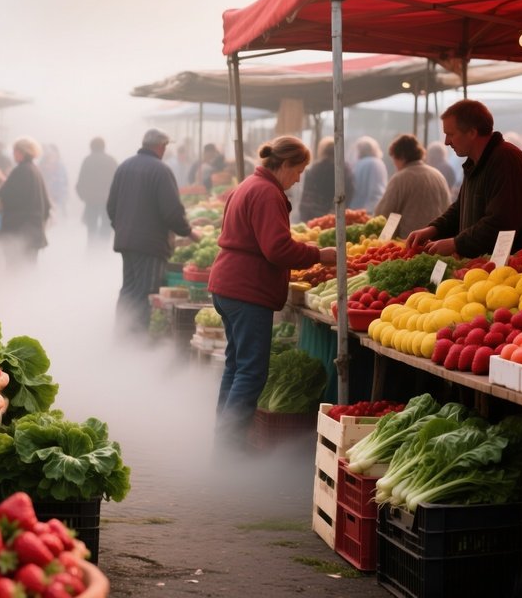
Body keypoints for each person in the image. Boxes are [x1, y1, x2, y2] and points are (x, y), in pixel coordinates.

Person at [207, 136, 337, 451]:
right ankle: (230, 447)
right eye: (299, 170)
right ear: (286, 164)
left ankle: (224, 441)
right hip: (246, 291)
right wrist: (319, 255)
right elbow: (277, 248)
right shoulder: (267, 192)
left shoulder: (249, 184)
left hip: (228, 285)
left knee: (236, 366)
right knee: (250, 371)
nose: (299, 178)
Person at [107, 128, 201, 334]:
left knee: (129, 290)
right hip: (150, 245)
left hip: (126, 242)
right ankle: (136, 341)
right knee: (144, 292)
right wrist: (188, 232)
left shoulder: (124, 167)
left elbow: (111, 207)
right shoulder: (161, 170)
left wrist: (122, 229)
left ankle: (121, 336)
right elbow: (172, 211)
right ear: (161, 146)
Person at [406, 99, 522, 257]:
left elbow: (501, 222)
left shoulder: (505, 160)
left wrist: (456, 244)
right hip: (481, 267)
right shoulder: (475, 162)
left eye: (450, 134)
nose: (446, 142)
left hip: (507, 270)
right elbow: (460, 208)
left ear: (472, 132)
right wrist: (433, 229)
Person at [374, 134, 452, 238]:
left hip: (410, 243)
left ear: (401, 156)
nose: (394, 164)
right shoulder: (438, 175)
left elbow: (383, 214)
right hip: (437, 242)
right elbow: (448, 210)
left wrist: (382, 240)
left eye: (394, 159)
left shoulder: (400, 179)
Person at [0, 137, 52, 265]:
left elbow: (6, 195)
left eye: (15, 151)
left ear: (22, 152)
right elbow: (46, 204)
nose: (13, 154)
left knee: (16, 270)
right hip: (33, 232)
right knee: (28, 272)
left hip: (20, 232)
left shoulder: (21, 171)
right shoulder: (34, 170)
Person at [296, 136, 355, 222]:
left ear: (322, 151)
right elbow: (349, 192)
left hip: (314, 214)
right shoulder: (345, 170)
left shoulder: (315, 168)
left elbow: (307, 194)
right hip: (335, 214)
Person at [75, 137, 118, 246]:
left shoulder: (88, 160)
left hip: (91, 200)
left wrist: (83, 196)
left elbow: (81, 181)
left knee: (91, 227)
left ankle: (91, 251)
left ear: (91, 147)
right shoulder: (111, 160)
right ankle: (103, 251)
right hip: (107, 200)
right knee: (106, 226)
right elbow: (117, 181)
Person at [348, 136, 388, 212]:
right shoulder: (377, 163)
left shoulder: (358, 164)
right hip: (370, 210)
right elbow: (377, 192)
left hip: (355, 208)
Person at [39, 143, 69, 217]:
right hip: (50, 191)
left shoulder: (60, 165)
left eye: (54, 155)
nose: (52, 156)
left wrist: (65, 188)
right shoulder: (43, 165)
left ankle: (62, 222)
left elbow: (64, 179)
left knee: (60, 207)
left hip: (58, 191)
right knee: (51, 208)